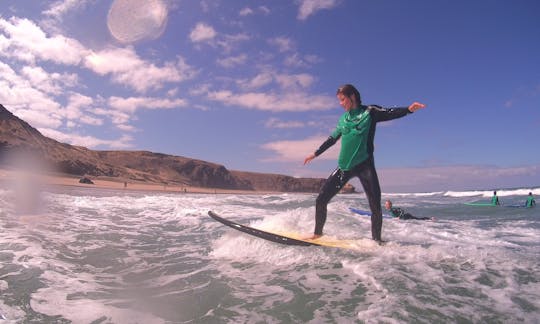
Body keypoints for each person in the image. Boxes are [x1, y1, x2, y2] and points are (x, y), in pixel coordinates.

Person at [303, 84, 426, 242]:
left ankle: (377, 241)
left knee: (375, 206)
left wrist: (408, 110)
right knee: (321, 200)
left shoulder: (370, 112)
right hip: (344, 167)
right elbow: (332, 139)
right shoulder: (343, 119)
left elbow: (389, 113)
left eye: (342, 99)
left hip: (365, 166)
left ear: (352, 96)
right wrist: (315, 153)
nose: (340, 103)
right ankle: (317, 234)